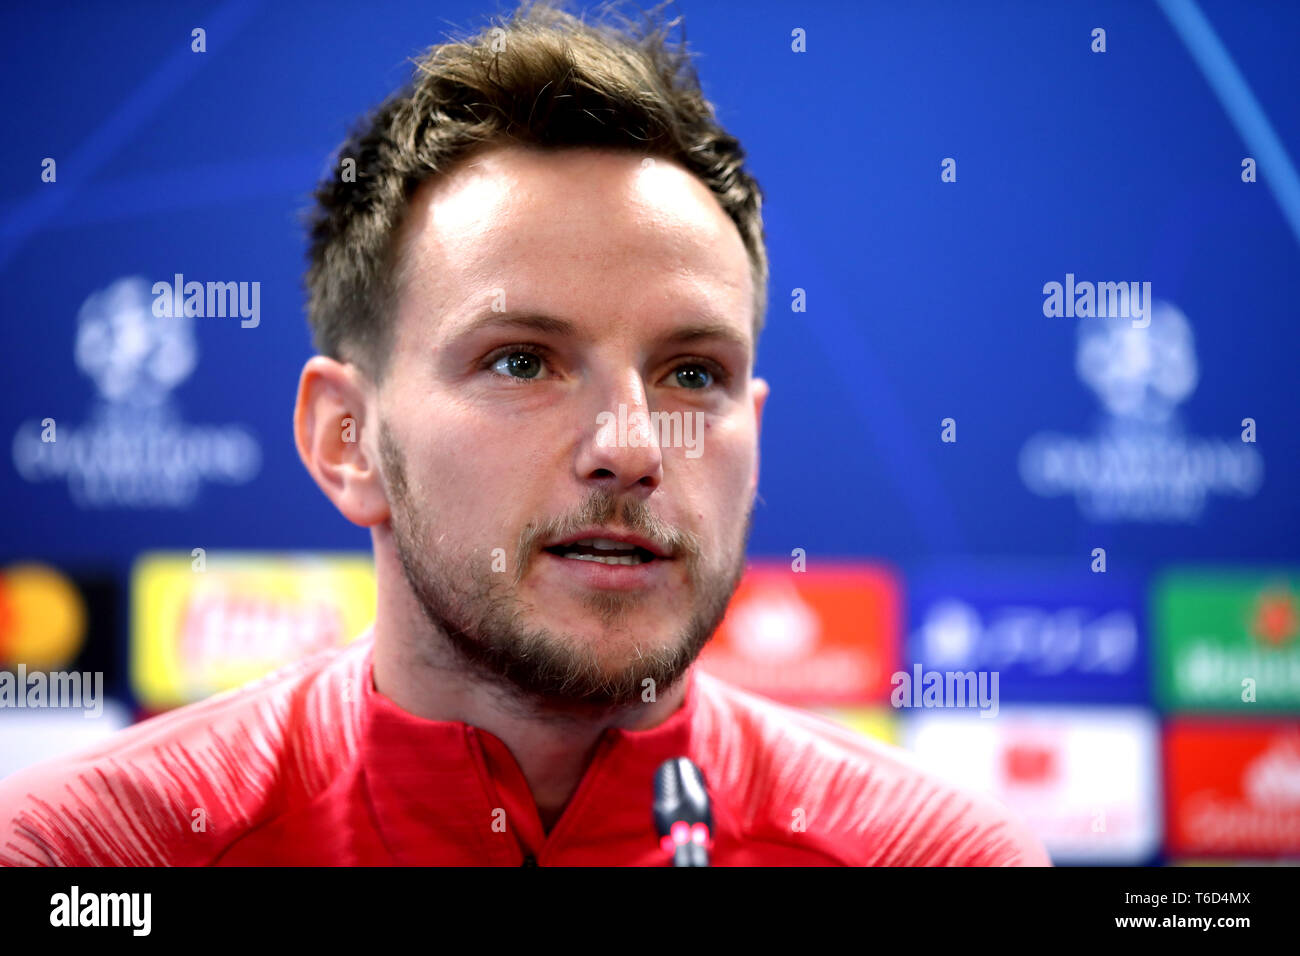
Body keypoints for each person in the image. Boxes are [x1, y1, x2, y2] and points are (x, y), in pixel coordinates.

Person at [0, 0, 1049, 866]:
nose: (630, 444)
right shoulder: (86, 860)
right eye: (521, 361)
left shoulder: (939, 858)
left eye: (692, 373)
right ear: (346, 439)